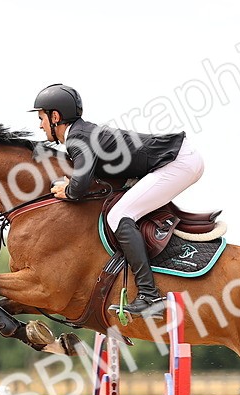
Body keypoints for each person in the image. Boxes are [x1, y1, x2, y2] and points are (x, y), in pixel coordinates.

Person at [31, 83, 205, 318]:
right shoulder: (82, 134)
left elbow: (79, 186)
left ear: (55, 116)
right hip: (180, 160)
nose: (40, 126)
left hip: (178, 162)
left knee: (119, 215)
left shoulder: (77, 138)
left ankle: (149, 296)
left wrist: (68, 191)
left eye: (41, 118)